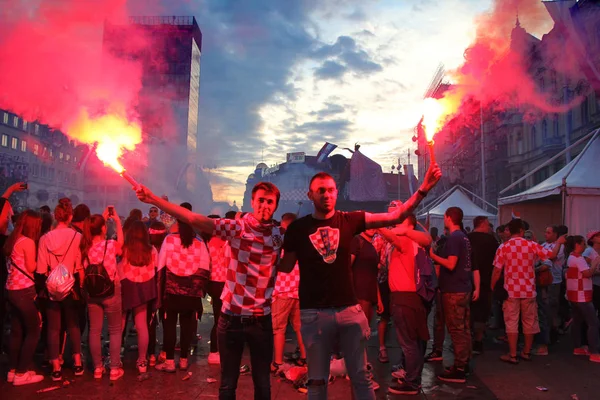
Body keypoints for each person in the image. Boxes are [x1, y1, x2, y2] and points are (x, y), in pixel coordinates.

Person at [279, 163, 441, 400]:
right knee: (317, 380)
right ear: (310, 194)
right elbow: (284, 267)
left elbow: (396, 215)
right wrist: (269, 246)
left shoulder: (349, 220)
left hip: (348, 310)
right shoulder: (297, 229)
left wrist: (424, 189)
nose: (327, 194)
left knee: (361, 376)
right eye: (321, 190)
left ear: (336, 193)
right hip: (313, 313)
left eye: (331, 190)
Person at [135, 181, 285, 400]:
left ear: (275, 206)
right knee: (227, 384)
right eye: (260, 200)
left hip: (261, 319)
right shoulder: (238, 227)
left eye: (269, 202)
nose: (264, 205)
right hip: (232, 317)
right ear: (252, 202)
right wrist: (154, 199)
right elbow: (196, 220)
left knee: (263, 384)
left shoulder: (279, 235)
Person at [491, 219, 561, 364]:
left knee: (511, 322)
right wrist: (559, 242)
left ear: (509, 231)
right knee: (529, 321)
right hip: (529, 289)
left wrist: (492, 287)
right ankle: (526, 352)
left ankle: (512, 354)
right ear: (522, 231)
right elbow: (551, 255)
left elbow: (497, 270)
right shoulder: (531, 245)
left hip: (510, 290)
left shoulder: (504, 247)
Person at [376, 213, 432, 395]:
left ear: (406, 225)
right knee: (414, 342)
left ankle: (412, 382)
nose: (395, 223)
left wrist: (373, 221)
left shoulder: (406, 241)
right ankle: (413, 377)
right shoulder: (416, 241)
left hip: (404, 299)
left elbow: (388, 234)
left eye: (399, 220)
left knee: (409, 343)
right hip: (412, 299)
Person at [155, 211, 210, 373]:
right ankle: (184, 360)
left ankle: (170, 361)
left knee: (170, 326)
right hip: (191, 294)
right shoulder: (199, 243)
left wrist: (160, 291)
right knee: (187, 326)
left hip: (171, 293)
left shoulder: (169, 240)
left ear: (178, 224)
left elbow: (161, 267)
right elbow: (206, 269)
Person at [37, 198, 84, 381]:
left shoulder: (44, 239)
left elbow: (41, 269)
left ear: (56, 216)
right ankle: (78, 362)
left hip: (51, 287)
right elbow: (79, 265)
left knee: (53, 328)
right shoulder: (76, 237)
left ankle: (55, 366)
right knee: (73, 324)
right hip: (71, 286)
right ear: (70, 216)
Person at [429, 207, 476, 383]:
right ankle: (464, 362)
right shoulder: (464, 237)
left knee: (456, 330)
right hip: (463, 287)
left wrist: (432, 255)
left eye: (445, 217)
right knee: (463, 328)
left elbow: (450, 263)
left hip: (454, 290)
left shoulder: (455, 238)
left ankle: (459, 369)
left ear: (448, 218)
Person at [80, 210, 124, 380]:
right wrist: (117, 222)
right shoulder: (110, 245)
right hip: (111, 291)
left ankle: (98, 368)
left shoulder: (85, 246)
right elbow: (121, 243)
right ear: (104, 228)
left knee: (94, 331)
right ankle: (114, 369)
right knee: (114, 330)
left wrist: (102, 219)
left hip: (92, 293)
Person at [4, 210, 44, 386]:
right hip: (24, 290)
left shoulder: (12, 240)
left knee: (17, 330)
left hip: (11, 289)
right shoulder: (27, 242)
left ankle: (12, 371)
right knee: (34, 330)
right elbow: (31, 266)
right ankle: (22, 373)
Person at [119, 220, 159, 374]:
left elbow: (120, 266)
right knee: (142, 325)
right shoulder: (152, 250)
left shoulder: (125, 248)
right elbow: (155, 269)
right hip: (144, 288)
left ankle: (115, 359)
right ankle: (142, 361)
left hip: (126, 287)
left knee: (119, 326)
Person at [271, 213, 306, 371]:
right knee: (300, 327)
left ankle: (278, 363)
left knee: (279, 329)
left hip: (282, 291)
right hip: (299, 292)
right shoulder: (304, 243)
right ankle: (305, 359)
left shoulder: (280, 243)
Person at [565, 235, 600, 362]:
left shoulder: (571, 257)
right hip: (582, 295)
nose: (585, 245)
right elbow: (587, 274)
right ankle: (594, 352)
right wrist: (594, 265)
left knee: (578, 321)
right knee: (593, 322)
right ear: (577, 244)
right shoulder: (578, 258)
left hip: (574, 294)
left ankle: (578, 347)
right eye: (583, 243)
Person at [468, 216, 499, 355]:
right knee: (482, 312)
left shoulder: (467, 238)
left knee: (468, 311)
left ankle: (467, 340)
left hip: (468, 281)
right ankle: (478, 341)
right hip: (486, 281)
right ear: (483, 224)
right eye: (487, 224)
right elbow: (497, 262)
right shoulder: (492, 241)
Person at [535, 225, 565, 354]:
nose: (546, 234)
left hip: (553, 281)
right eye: (545, 232)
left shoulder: (560, 246)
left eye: (548, 233)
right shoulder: (545, 245)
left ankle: (551, 337)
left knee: (549, 310)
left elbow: (550, 259)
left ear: (555, 234)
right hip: (543, 281)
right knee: (544, 310)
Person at [205, 215, 228, 366]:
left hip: (213, 283)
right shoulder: (225, 242)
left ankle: (218, 350)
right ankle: (214, 351)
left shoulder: (206, 242)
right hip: (223, 283)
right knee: (222, 319)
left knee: (219, 317)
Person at [148, 221, 168, 367]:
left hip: (151, 289)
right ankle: (165, 351)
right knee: (167, 321)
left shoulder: (147, 249)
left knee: (150, 322)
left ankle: (150, 355)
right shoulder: (167, 247)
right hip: (166, 289)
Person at [583, 230, 600, 316]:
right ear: (592, 239)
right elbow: (583, 267)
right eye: (598, 236)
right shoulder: (589, 251)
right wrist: (595, 271)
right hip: (593, 284)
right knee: (593, 307)